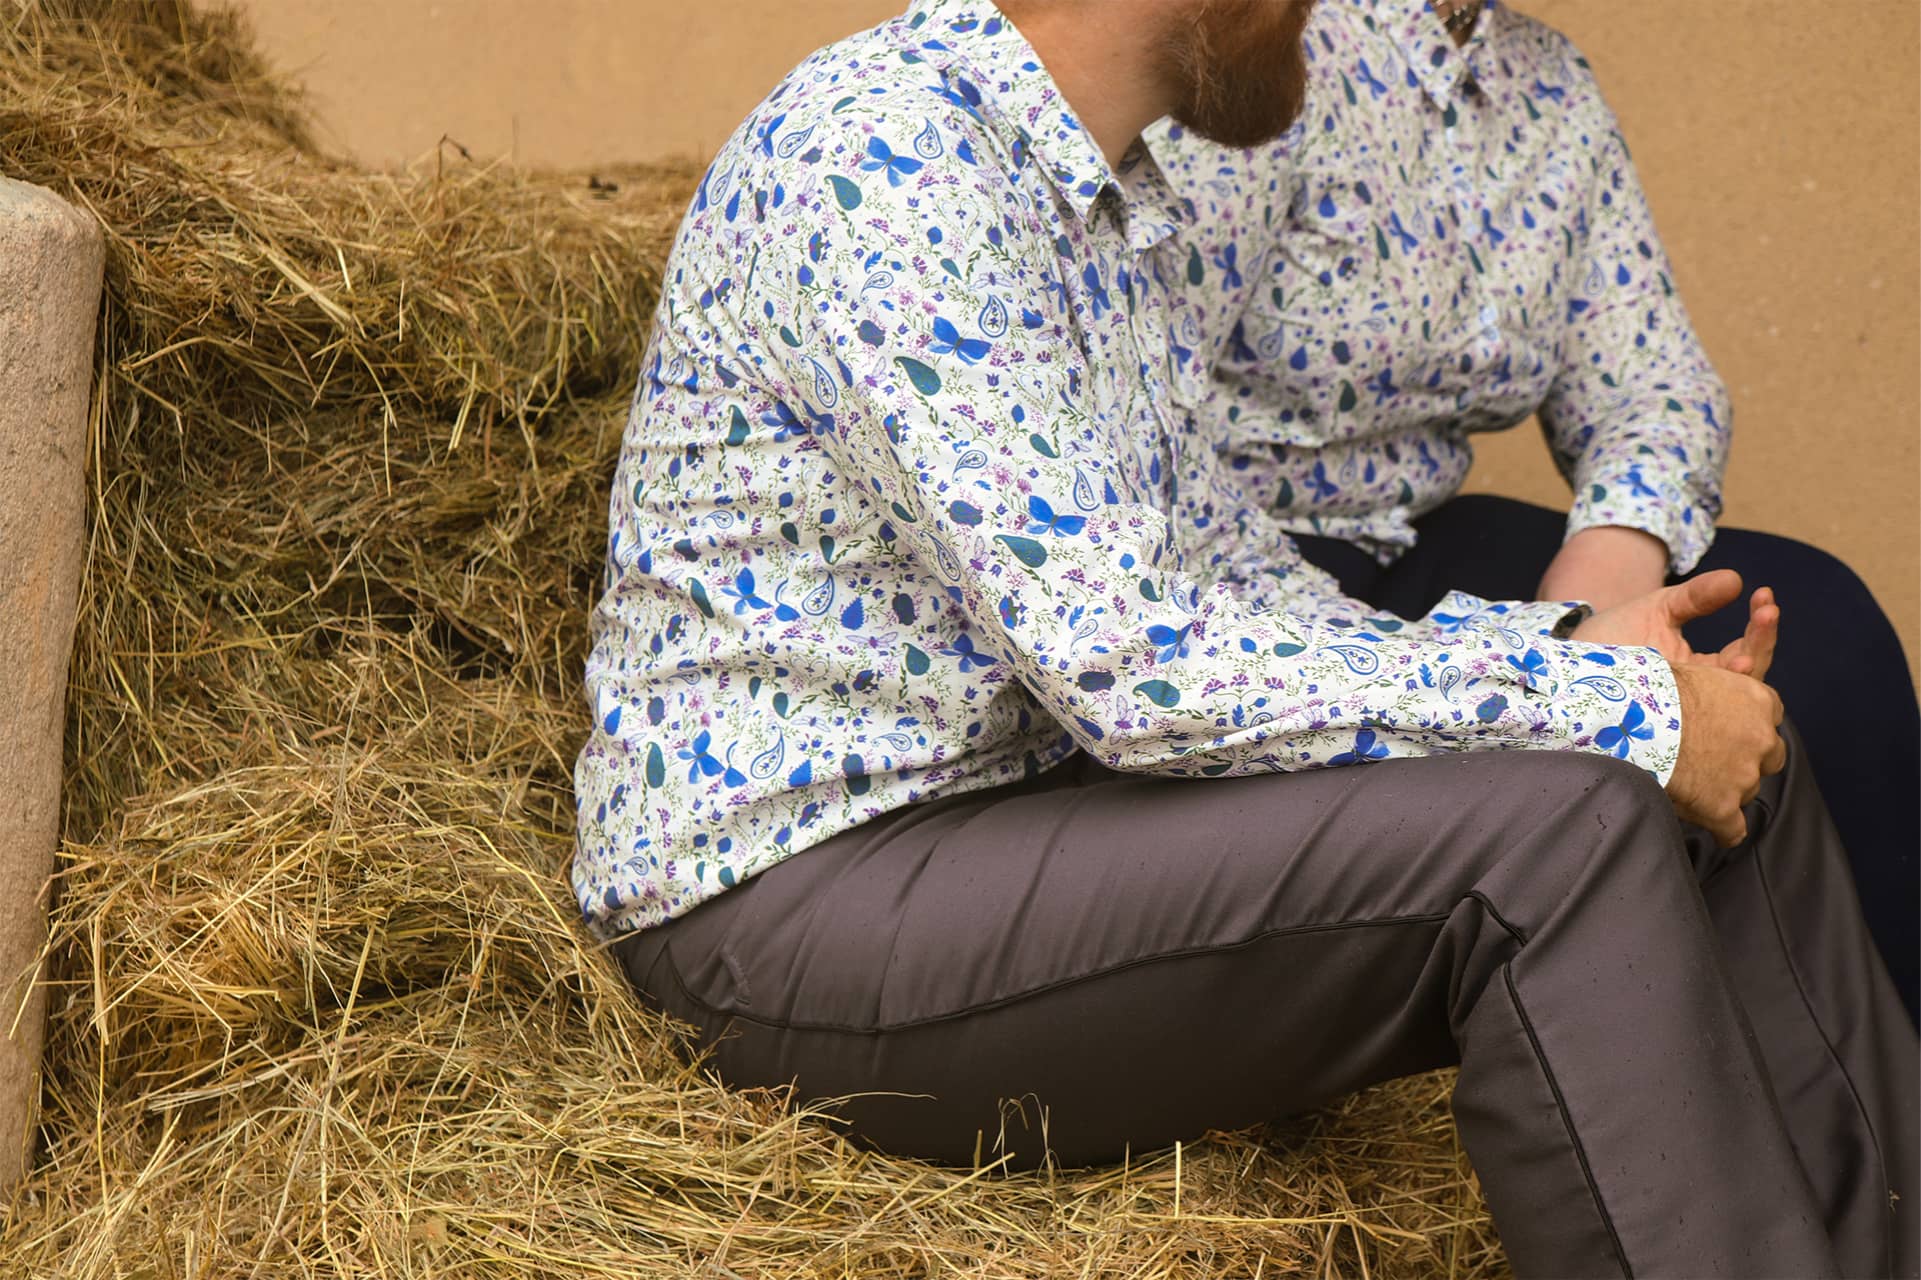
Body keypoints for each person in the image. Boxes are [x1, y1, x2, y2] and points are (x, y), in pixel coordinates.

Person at [571, 0, 1919, 1273]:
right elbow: (1134, 670)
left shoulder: (1103, 209)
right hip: (797, 907)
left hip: (1015, 815)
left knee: (1716, 759)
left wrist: (1589, 671)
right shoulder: (884, 161)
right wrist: (1612, 717)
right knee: (1559, 839)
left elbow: (1249, 602)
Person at [1149, 0, 1921, 1018]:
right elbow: (1137, 397)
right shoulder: (1257, 44)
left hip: (1412, 534)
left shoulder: (1552, 87)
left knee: (1820, 618)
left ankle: (1889, 1087)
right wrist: (1554, 661)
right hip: (1233, 561)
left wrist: (1600, 593)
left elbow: (1651, 388)